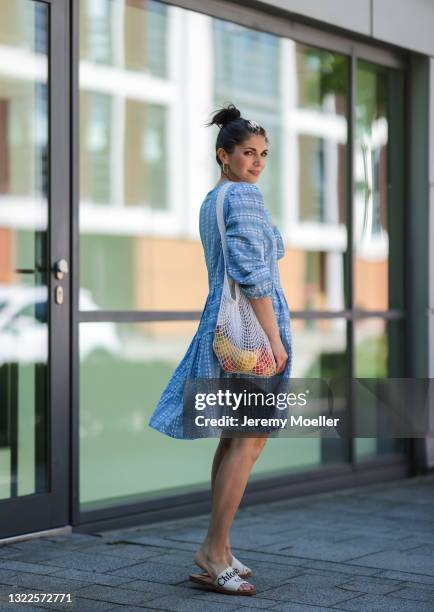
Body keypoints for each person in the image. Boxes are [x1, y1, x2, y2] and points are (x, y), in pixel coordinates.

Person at [148, 103, 293, 596]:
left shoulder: (214, 199)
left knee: (235, 437)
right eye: (248, 153)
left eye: (264, 154)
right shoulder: (246, 199)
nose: (257, 162)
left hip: (222, 325)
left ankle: (221, 548)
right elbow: (254, 275)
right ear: (223, 154)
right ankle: (213, 550)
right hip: (250, 327)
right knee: (249, 439)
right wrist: (275, 340)